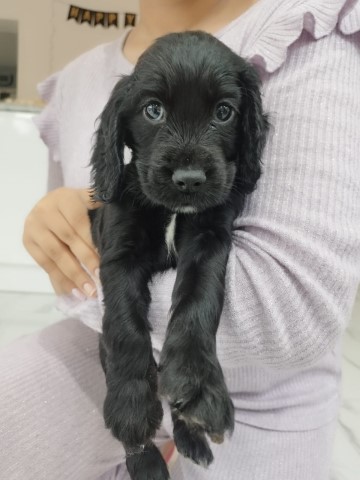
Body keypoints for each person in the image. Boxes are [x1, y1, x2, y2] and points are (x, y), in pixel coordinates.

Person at [1, 0, 360, 478]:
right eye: (153, 110)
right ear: (123, 127)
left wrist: (98, 278)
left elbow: (291, 310)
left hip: (270, 408)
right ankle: (141, 450)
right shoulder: (78, 81)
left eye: (222, 112)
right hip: (110, 366)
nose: (189, 170)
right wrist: (55, 234)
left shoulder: (314, 36)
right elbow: (73, 267)